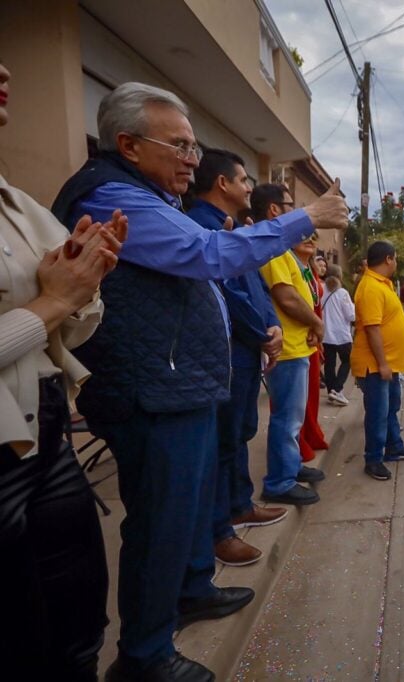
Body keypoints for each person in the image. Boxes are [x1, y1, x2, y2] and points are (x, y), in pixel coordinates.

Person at [49, 81, 347, 681]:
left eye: (194, 146)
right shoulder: (115, 197)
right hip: (154, 392)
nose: (192, 159)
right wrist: (306, 216)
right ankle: (145, 656)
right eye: (179, 146)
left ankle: (189, 592)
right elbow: (211, 256)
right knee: (161, 522)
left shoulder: (148, 195)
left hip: (176, 386)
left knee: (182, 512)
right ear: (128, 145)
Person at [0, 59, 127, 681]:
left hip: (45, 428)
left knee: (78, 614)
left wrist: (83, 280)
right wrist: (51, 302)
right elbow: (51, 309)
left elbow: (72, 321)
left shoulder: (17, 202)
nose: (4, 67)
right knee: (18, 636)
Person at [187, 150, 288, 569]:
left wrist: (270, 325)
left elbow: (255, 290)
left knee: (240, 434)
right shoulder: (202, 230)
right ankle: (219, 530)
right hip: (229, 354)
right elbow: (229, 296)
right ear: (222, 184)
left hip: (247, 351)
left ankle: (240, 504)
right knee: (222, 444)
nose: (250, 186)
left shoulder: (235, 232)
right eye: (243, 179)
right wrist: (262, 334)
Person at [255, 189, 327, 507]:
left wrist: (311, 325)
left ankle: (291, 467)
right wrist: (317, 323)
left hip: (299, 346)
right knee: (286, 418)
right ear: (274, 210)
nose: (295, 212)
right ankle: (279, 481)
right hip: (287, 350)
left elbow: (299, 294)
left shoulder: (283, 248)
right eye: (289, 207)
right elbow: (286, 297)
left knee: (293, 418)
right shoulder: (273, 248)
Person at [351, 241, 404, 481]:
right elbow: (372, 329)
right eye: (396, 258)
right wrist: (382, 364)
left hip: (389, 363)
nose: (397, 262)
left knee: (391, 407)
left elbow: (386, 320)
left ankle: (393, 446)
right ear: (389, 259)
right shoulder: (370, 286)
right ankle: (373, 459)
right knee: (378, 412)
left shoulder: (383, 284)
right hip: (376, 365)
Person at [292, 232, 330, 462]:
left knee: (312, 390)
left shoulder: (310, 270)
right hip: (299, 337)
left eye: (313, 235)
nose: (310, 239)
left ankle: (311, 433)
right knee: (298, 396)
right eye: (303, 235)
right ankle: (299, 441)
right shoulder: (290, 264)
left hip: (314, 336)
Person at [322, 274, 355, 405]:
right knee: (347, 361)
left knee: (329, 365)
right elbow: (351, 315)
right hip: (342, 335)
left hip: (326, 335)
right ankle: (337, 389)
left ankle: (331, 390)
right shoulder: (342, 293)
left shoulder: (322, 291)